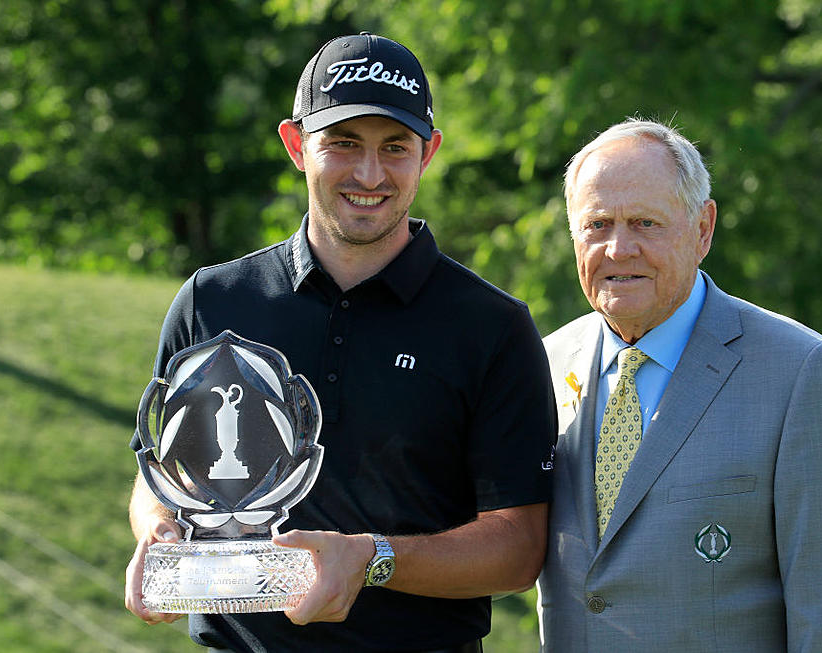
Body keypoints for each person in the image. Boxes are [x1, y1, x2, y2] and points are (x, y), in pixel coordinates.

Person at [124, 33, 557, 653]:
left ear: (428, 153)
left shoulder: (492, 326)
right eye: (343, 143)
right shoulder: (212, 300)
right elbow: (160, 472)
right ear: (296, 145)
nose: (370, 174)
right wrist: (159, 534)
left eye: (395, 148)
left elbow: (518, 548)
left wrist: (369, 559)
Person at [536, 118, 822, 651]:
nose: (618, 248)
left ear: (703, 229)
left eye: (645, 223)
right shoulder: (541, 364)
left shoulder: (804, 373)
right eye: (597, 224)